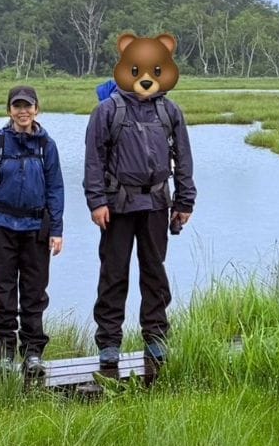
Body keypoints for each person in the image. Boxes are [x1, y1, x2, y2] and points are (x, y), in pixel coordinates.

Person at [83, 33, 196, 370]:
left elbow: (184, 157)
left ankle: (156, 337)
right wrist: (96, 202)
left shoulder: (169, 110)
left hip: (157, 205)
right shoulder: (107, 111)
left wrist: (185, 201)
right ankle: (109, 343)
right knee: (114, 274)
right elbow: (93, 161)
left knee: (154, 273)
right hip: (117, 206)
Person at [0, 85, 64, 377]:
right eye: (17, 106)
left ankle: (33, 353)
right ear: (9, 110)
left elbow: (56, 189)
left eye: (28, 106)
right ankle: (5, 356)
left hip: (36, 227)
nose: (23, 111)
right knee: (4, 292)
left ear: (37, 109)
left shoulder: (47, 145)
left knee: (34, 294)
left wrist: (57, 230)